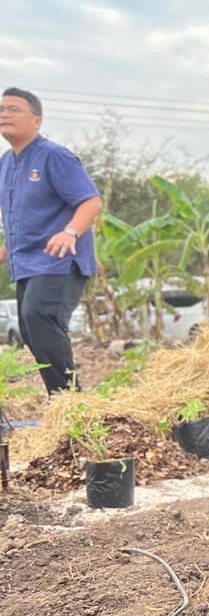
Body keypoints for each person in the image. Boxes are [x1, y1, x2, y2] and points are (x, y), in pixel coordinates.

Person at [0, 88, 102, 393]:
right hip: (28, 263)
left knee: (39, 317)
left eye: (14, 109)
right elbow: (22, 217)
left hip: (60, 260)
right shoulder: (5, 163)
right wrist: (7, 250)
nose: (5, 114)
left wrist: (70, 232)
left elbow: (91, 202)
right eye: (2, 109)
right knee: (31, 331)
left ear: (37, 120)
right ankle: (62, 401)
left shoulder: (55, 157)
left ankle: (72, 403)